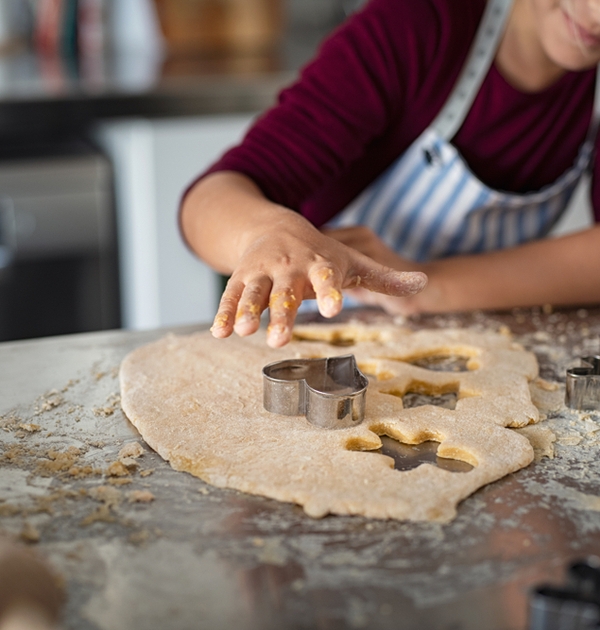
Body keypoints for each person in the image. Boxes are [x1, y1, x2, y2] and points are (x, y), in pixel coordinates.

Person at [180, 0, 600, 348]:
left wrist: (428, 287)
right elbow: (209, 199)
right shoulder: (419, 24)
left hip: (479, 343)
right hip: (316, 342)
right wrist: (268, 234)